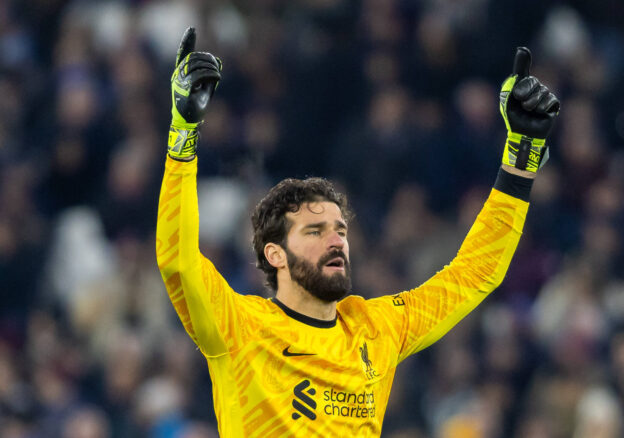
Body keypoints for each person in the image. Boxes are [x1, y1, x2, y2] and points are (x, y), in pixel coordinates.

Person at [156, 27, 560, 437]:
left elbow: (474, 273)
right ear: (275, 254)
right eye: (314, 231)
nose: (336, 241)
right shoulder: (239, 327)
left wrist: (521, 159)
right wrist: (183, 135)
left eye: (340, 230)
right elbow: (179, 261)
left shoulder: (376, 328)